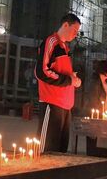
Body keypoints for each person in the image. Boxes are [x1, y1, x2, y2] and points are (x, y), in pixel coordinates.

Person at [35, 13, 83, 153]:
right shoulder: (51, 42)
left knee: (61, 151)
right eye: (74, 30)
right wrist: (69, 80)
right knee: (48, 150)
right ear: (65, 25)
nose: (75, 35)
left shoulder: (65, 48)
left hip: (65, 106)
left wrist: (72, 78)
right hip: (52, 103)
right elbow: (42, 72)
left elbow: (59, 72)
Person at [83, 60, 107, 157]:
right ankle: (92, 164)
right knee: (94, 143)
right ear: (105, 70)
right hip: (95, 117)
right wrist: (99, 115)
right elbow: (93, 100)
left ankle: (102, 164)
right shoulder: (95, 82)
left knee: (102, 144)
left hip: (103, 117)